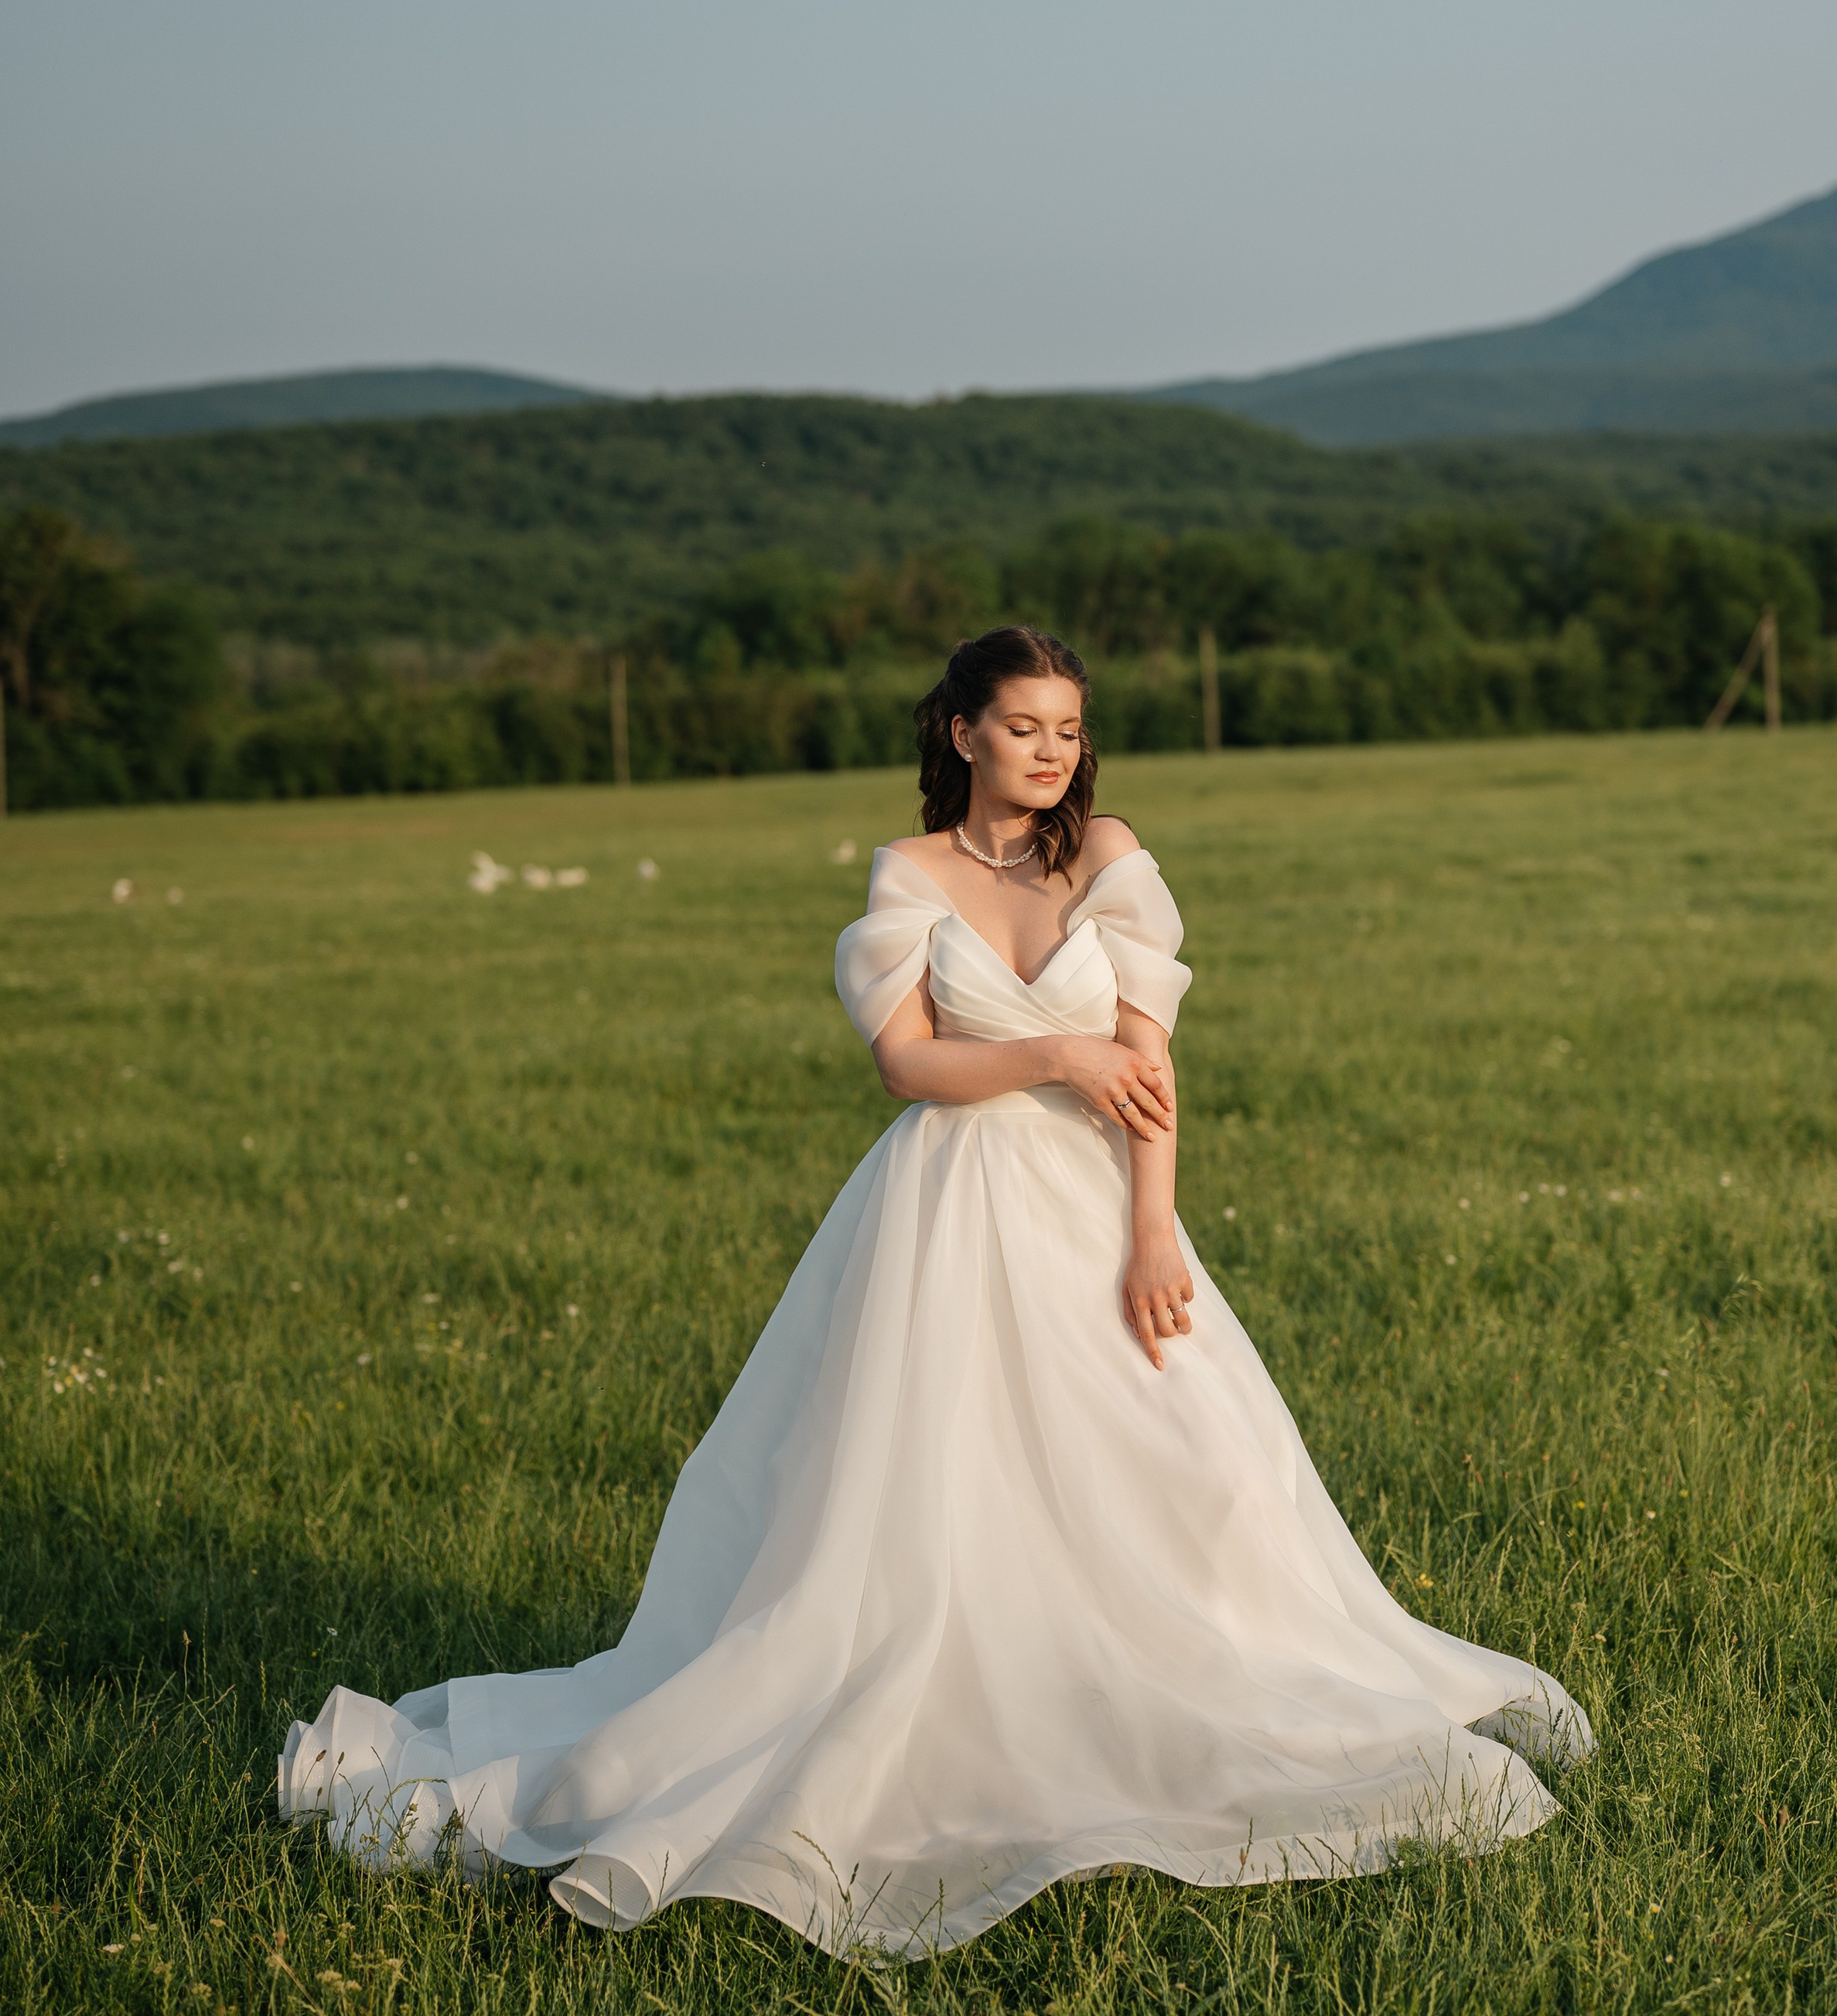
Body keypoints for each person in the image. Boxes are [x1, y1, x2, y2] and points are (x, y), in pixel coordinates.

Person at [283, 625, 1590, 1949]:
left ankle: (1176, 1678)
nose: (1051, 753)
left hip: (1096, 1209)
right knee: (930, 1477)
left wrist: (1155, 1231)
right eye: (1024, 727)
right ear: (963, 731)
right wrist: (1054, 1058)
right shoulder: (908, 872)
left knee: (1190, 1468)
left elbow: (1149, 1066)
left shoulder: (1110, 857)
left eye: (1069, 730)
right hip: (947, 1204)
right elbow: (907, 1064)